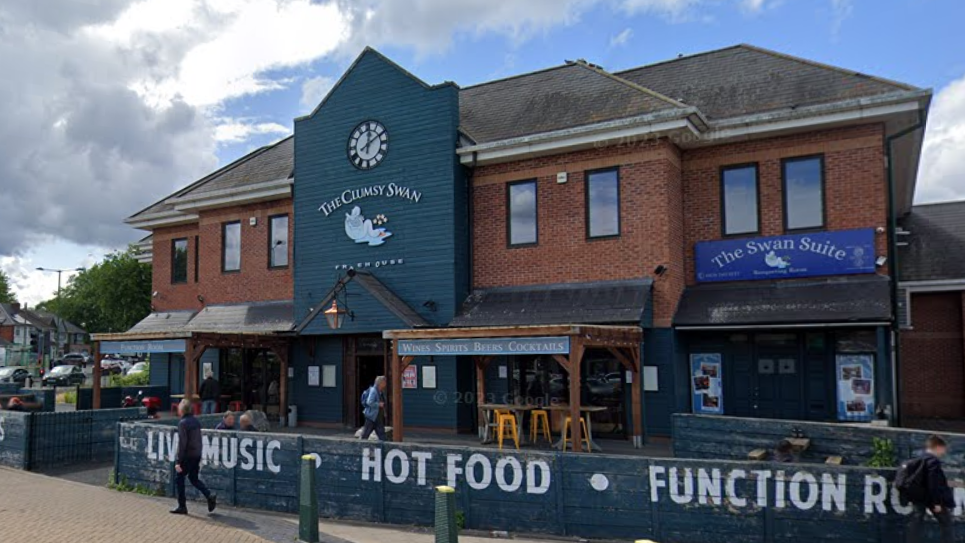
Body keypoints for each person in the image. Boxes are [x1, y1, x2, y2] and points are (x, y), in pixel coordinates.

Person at [171, 399, 216, 515]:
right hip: (196, 454)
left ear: (182, 410)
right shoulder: (196, 421)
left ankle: (182, 506)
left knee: (179, 478)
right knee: (193, 478)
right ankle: (209, 495)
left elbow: (182, 443)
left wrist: (178, 461)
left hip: (188, 455)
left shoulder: (183, 423)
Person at [906, 435, 954, 543]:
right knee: (946, 523)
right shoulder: (933, 461)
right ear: (938, 447)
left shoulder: (918, 460)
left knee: (916, 522)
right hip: (932, 498)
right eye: (943, 448)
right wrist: (936, 502)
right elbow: (933, 483)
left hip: (919, 497)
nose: (944, 452)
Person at [360, 375, 387, 441]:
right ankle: (360, 447)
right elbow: (369, 402)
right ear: (380, 383)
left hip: (377, 417)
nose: (385, 383)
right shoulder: (374, 391)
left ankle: (383, 449)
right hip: (371, 417)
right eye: (384, 382)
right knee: (365, 435)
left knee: (382, 435)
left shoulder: (381, 391)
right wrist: (378, 404)